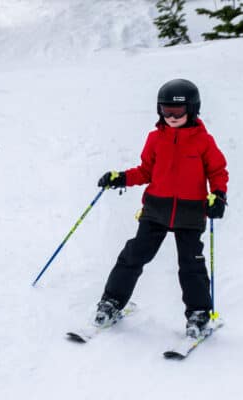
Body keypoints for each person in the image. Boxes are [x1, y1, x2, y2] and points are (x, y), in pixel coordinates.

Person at [95, 78, 228, 338]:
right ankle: (111, 302)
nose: (172, 117)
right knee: (133, 255)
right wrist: (120, 177)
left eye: (177, 112)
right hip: (156, 209)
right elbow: (145, 171)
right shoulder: (155, 139)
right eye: (166, 111)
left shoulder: (203, 141)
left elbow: (217, 170)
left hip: (190, 213)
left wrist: (219, 196)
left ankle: (199, 314)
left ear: (192, 109)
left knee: (191, 265)